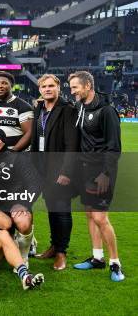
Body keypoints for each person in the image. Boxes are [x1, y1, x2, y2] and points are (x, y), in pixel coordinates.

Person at [69, 71, 124, 282]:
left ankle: (115, 263)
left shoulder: (107, 111)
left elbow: (114, 147)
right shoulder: (81, 106)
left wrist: (106, 174)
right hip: (85, 169)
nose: (72, 91)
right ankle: (97, 258)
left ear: (88, 86)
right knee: (90, 215)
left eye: (75, 88)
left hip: (102, 172)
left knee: (101, 217)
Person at [32, 74, 80, 271]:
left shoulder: (67, 110)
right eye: (44, 86)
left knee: (61, 210)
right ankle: (53, 246)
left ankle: (61, 252)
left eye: (51, 86)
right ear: (40, 89)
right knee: (52, 208)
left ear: (59, 88)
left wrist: (66, 171)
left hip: (60, 169)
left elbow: (72, 144)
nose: (47, 89)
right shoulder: (40, 108)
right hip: (43, 168)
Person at [0, 126, 41, 266]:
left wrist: (23, 203)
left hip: (14, 205)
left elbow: (35, 184)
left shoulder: (17, 159)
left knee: (23, 221)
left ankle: (24, 257)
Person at [0, 72, 34, 151]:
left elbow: (29, 134)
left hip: (15, 156)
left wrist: (13, 152)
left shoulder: (23, 106)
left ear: (11, 86)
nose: (0, 86)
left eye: (4, 83)